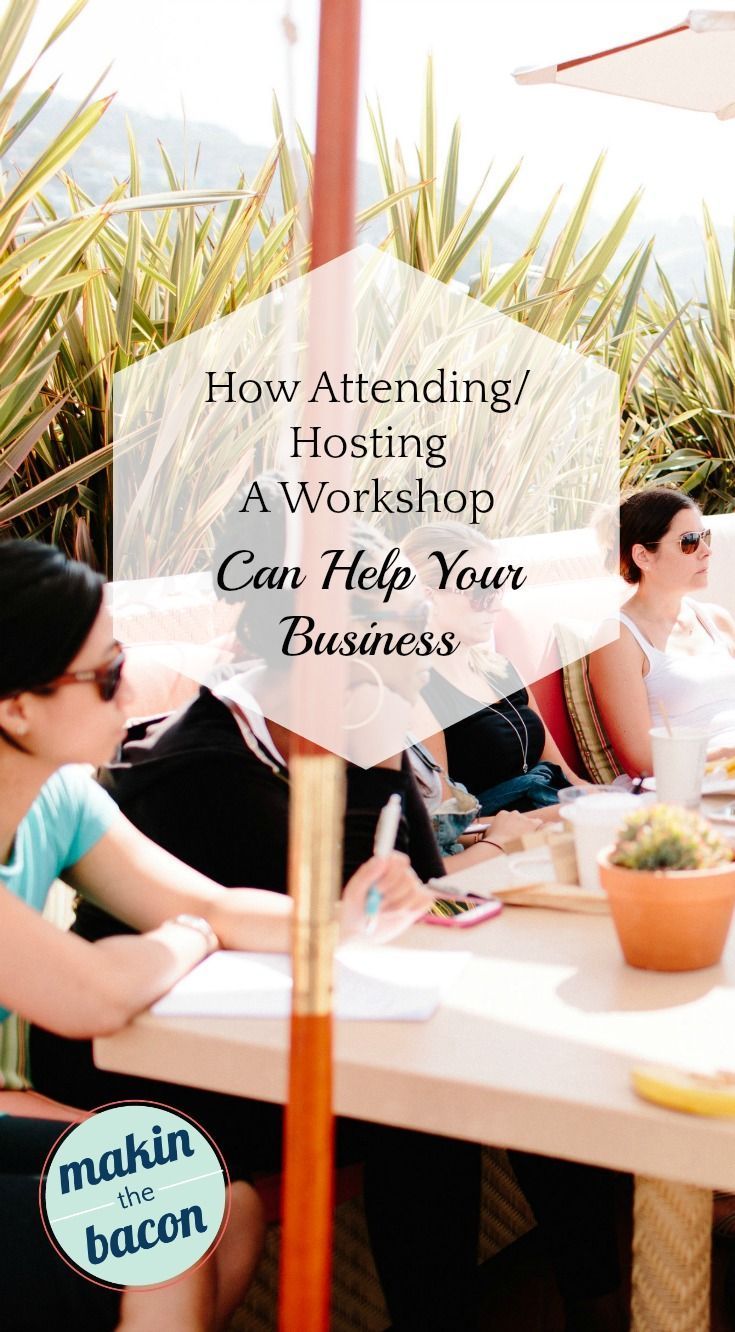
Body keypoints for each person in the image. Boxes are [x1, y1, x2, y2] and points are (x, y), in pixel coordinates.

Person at [33, 488, 627, 1330]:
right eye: (400, 611)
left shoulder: (331, 725)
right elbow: (334, 921)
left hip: (278, 1020)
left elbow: (401, 896)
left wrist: (381, 749)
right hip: (162, 1064)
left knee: (497, 1055)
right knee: (426, 1103)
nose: (419, 632)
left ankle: (593, 1298)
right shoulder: (205, 766)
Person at [0, 537, 430, 1332]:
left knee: (224, 1209)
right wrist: (188, 938)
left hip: (17, 1111)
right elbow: (94, 995)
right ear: (16, 708)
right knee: (167, 1224)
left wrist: (338, 923)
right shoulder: (183, 767)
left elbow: (221, 907)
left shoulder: (59, 801)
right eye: (103, 677)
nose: (128, 694)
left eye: (120, 661)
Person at [401, 522, 590, 814]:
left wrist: (619, 803)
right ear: (428, 596)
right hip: (499, 840)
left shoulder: (502, 668)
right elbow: (447, 820)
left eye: (497, 586)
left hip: (552, 818)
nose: (496, 604)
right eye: (480, 591)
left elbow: (565, 776)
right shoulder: (416, 688)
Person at [588, 487, 735, 777]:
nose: (707, 551)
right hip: (688, 787)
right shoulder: (617, 639)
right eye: (689, 542)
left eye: (704, 537)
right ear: (643, 556)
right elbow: (643, 763)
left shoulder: (717, 621)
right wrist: (727, 755)